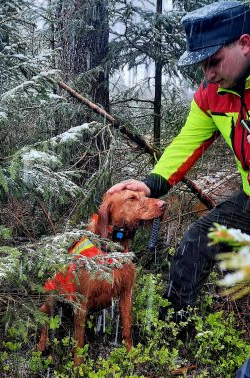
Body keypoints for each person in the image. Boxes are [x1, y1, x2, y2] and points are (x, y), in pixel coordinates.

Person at [108, 1, 250, 321]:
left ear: (245, 43)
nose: (209, 74)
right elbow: (186, 144)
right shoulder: (211, 94)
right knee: (195, 243)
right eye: (202, 66)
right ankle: (174, 331)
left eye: (214, 61)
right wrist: (148, 184)